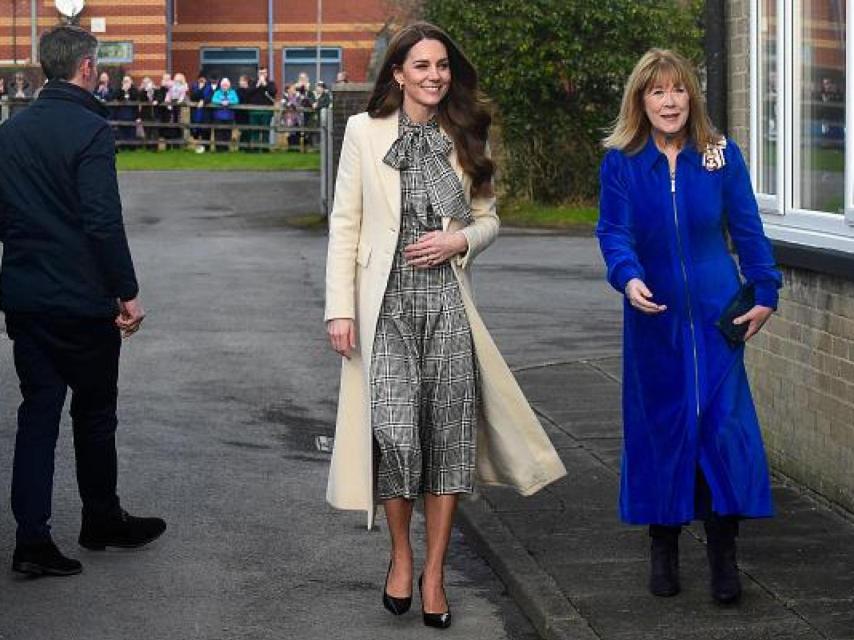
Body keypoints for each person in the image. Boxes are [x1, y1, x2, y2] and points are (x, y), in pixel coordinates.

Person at [324, 22, 565, 628]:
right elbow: (344, 224)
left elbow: (489, 218)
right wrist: (339, 309)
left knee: (449, 443)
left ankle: (433, 573)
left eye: (442, 66)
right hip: (386, 309)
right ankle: (400, 554)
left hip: (448, 307)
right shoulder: (363, 130)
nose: (435, 75)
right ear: (398, 74)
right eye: (422, 65)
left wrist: (460, 237)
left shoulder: (465, 133)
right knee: (397, 438)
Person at [596, 48, 782, 603]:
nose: (669, 101)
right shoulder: (622, 162)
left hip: (717, 317)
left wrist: (766, 289)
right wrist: (628, 278)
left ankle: (724, 556)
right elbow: (613, 233)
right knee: (662, 429)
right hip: (654, 319)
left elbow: (747, 228)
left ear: (690, 96)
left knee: (722, 429)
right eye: (657, 92)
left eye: (678, 90)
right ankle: (664, 545)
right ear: (641, 101)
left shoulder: (720, 157)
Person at [0, 25, 166, 577]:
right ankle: (100, 518)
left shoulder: (11, 132)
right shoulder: (92, 130)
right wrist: (127, 291)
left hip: (27, 298)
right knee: (94, 414)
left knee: (38, 414)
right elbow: (101, 219)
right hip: (80, 300)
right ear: (87, 68)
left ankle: (31, 539)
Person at [246, 66, 277, 150]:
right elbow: (248, 93)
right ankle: (255, 148)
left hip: (267, 111)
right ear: (258, 74)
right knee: (254, 130)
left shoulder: (270, 83)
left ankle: (265, 148)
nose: (262, 75)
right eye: (260, 73)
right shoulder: (253, 83)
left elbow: (273, 91)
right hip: (254, 111)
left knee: (265, 130)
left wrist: (265, 85)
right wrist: (257, 85)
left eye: (264, 73)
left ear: (267, 74)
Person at [211, 77, 239, 151]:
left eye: (226, 85)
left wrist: (228, 102)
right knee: (218, 133)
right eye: (223, 84)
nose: (225, 86)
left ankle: (226, 148)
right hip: (218, 116)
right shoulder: (217, 92)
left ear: (229, 85)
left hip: (229, 117)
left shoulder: (232, 92)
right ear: (221, 85)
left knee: (227, 133)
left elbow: (236, 100)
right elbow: (213, 99)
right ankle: (218, 149)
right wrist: (221, 102)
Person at [113, 74, 139, 149]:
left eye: (127, 81)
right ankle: (122, 146)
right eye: (124, 81)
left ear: (131, 82)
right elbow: (115, 96)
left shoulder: (134, 90)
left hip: (131, 113)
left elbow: (135, 98)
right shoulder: (119, 90)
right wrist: (123, 90)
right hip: (121, 113)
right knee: (122, 130)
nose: (126, 83)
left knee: (131, 130)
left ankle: (132, 147)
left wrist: (129, 90)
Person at [189, 73, 214, 149]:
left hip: (205, 113)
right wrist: (200, 89)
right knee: (196, 131)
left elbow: (210, 97)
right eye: (200, 79)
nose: (202, 80)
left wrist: (203, 101)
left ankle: (206, 148)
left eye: (203, 79)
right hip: (196, 113)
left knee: (205, 131)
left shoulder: (209, 88)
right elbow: (193, 97)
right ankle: (197, 148)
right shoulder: (194, 86)